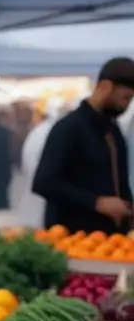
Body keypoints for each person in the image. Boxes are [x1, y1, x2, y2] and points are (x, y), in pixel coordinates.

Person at [33, 57, 134, 234]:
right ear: (105, 87)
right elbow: (44, 183)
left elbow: (121, 182)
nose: (127, 105)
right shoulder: (69, 128)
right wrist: (96, 202)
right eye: (125, 98)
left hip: (111, 243)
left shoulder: (113, 130)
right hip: (72, 238)